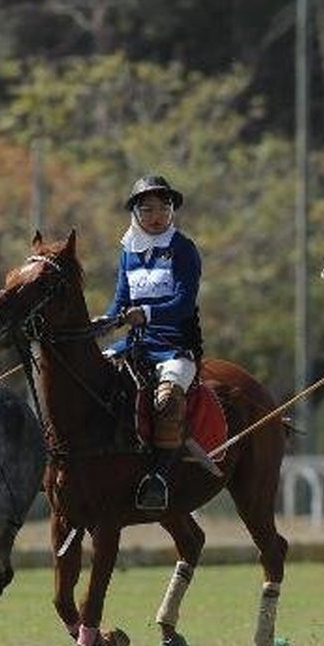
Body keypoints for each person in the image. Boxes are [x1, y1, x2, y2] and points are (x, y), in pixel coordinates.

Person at [102, 175, 203, 511]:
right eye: (147, 209)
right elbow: (119, 302)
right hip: (134, 346)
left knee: (166, 400)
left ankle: (158, 477)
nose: (156, 216)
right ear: (136, 213)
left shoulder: (183, 249)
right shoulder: (127, 252)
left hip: (175, 348)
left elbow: (183, 304)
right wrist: (104, 322)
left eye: (163, 208)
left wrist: (144, 313)